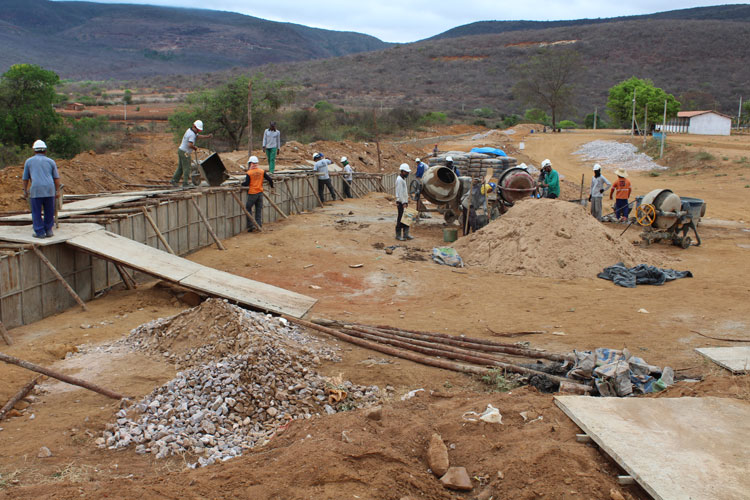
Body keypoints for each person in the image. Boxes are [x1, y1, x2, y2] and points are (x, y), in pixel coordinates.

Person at [22, 140, 60, 238]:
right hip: (49, 190)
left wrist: (25, 190)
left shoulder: (29, 161)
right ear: (45, 151)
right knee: (49, 211)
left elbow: (25, 178)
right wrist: (58, 190)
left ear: (34, 150)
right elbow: (56, 178)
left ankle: (39, 232)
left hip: (36, 190)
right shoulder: (51, 161)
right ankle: (48, 230)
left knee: (36, 211)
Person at [171, 119, 212, 187]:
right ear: (194, 126)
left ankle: (174, 180)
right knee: (187, 167)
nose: (198, 131)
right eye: (198, 130)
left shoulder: (190, 130)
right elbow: (190, 145)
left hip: (181, 150)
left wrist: (207, 136)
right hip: (185, 152)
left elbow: (198, 136)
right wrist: (195, 148)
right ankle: (185, 183)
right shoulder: (192, 134)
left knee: (180, 168)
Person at [241, 156, 274, 232]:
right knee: (258, 210)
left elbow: (246, 183)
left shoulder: (249, 173)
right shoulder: (261, 171)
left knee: (248, 208)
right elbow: (270, 179)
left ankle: (251, 226)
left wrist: (241, 184)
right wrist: (272, 186)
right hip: (260, 193)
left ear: (251, 163)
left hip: (252, 193)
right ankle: (259, 225)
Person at [395, 163, 413, 240]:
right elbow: (400, 193)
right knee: (400, 219)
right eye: (406, 172)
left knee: (406, 218)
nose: (407, 173)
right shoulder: (399, 180)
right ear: (402, 171)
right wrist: (403, 203)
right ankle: (398, 235)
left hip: (404, 202)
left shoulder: (402, 180)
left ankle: (406, 234)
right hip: (401, 203)